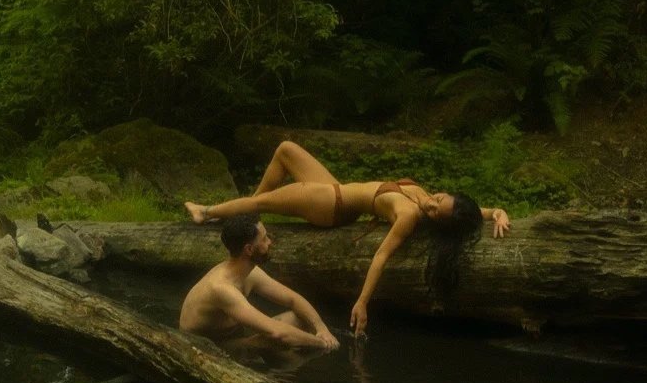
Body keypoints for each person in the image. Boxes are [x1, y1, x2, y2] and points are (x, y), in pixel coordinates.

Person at [184, 140, 510, 336]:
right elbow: (473, 212)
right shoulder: (427, 199)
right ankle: (248, 220)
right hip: (338, 190)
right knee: (286, 150)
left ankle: (207, 211)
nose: (434, 202)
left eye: (438, 211)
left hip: (332, 206)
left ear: (438, 222)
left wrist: (362, 301)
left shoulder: (409, 216)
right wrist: (497, 212)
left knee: (263, 202)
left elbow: (381, 256)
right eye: (440, 198)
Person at [179, 213, 339, 354]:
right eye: (264, 238)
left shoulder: (249, 272)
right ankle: (282, 379)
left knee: (298, 319)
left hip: (232, 339)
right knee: (276, 340)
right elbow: (278, 333)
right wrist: (323, 344)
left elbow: (293, 299)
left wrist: (322, 329)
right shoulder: (221, 288)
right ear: (249, 249)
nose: (270, 242)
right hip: (204, 351)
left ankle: (284, 370)